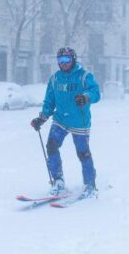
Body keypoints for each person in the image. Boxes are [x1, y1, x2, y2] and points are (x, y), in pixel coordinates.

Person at [30, 47, 101, 198]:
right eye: (60, 60)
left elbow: (96, 92)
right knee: (51, 147)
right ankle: (58, 182)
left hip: (79, 121)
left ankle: (90, 185)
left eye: (67, 59)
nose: (63, 63)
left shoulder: (84, 76)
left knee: (83, 153)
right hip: (60, 119)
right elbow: (50, 101)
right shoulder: (55, 78)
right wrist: (42, 118)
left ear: (73, 59)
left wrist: (86, 97)